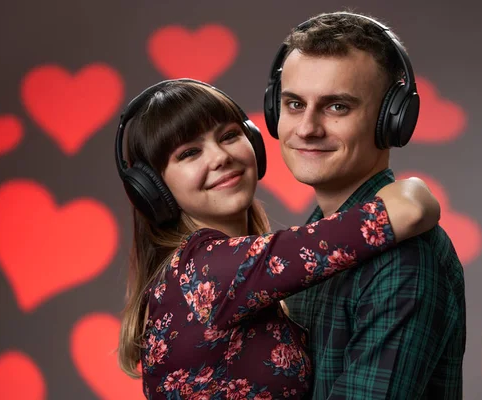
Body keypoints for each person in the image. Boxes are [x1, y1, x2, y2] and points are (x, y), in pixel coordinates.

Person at [115, 78, 441, 399]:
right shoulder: (206, 270)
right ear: (154, 191)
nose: (219, 157)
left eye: (229, 136)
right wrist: (411, 186)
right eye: (189, 153)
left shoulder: (216, 271)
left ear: (253, 141)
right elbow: (409, 210)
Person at [264, 11, 466, 399]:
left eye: (337, 106)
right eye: (293, 104)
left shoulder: (402, 261)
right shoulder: (312, 240)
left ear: (392, 120)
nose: (307, 128)